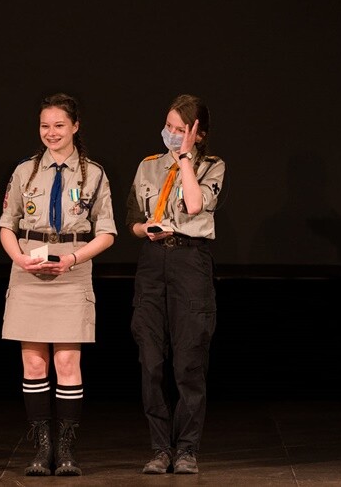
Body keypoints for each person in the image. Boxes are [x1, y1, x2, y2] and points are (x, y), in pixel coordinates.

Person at [0, 93, 116, 477]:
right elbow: (6, 224)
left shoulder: (93, 173)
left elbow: (107, 233)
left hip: (72, 267)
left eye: (59, 125)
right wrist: (18, 258)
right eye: (45, 126)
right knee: (34, 363)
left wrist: (73, 259)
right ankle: (41, 448)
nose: (51, 133)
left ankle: (65, 450)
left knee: (66, 362)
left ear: (75, 127)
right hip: (28, 267)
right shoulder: (25, 171)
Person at [125, 93, 226, 475]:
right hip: (153, 262)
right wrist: (145, 228)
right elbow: (132, 220)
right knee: (151, 361)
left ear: (198, 133)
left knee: (188, 361)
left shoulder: (211, 166)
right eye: (168, 126)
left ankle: (186, 449)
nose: (170, 133)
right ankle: (159, 448)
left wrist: (185, 158)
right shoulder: (148, 165)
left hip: (190, 261)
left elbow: (195, 205)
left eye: (180, 129)